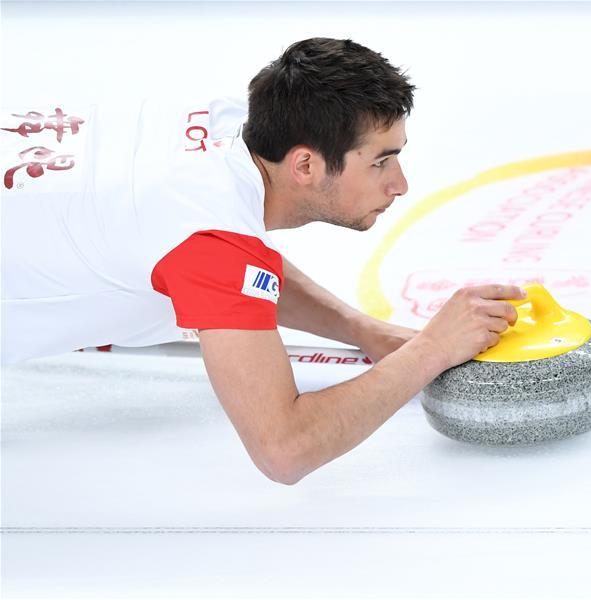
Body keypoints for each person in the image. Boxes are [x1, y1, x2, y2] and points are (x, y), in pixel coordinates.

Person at [1, 37, 525, 484]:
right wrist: (430, 351)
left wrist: (364, 331)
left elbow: (243, 269)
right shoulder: (207, 241)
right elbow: (284, 448)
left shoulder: (230, 120)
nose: (400, 184)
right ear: (304, 164)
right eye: (380, 161)